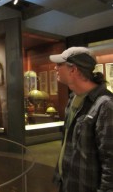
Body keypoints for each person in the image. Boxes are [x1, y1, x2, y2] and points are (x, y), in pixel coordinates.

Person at [49, 46, 113, 192]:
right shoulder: (73, 99)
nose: (55, 67)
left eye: (60, 64)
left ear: (73, 70)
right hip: (68, 183)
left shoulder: (105, 106)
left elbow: (110, 162)